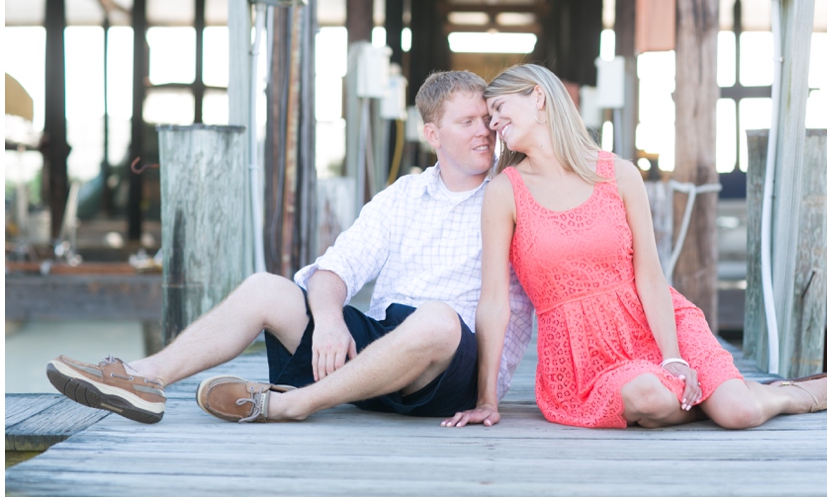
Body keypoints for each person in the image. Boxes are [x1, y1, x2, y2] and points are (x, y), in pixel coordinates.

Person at [47, 70, 533, 425]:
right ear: (432, 135)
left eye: (486, 120)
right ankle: (140, 378)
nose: (484, 132)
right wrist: (328, 320)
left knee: (438, 318)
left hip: (449, 370)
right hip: (377, 354)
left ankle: (293, 403)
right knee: (265, 288)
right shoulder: (403, 195)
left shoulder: (511, 193)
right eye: (467, 122)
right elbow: (335, 269)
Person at [442, 63, 827, 430]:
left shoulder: (618, 174)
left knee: (739, 415)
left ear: (538, 98)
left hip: (656, 324)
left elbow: (651, 277)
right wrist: (486, 399)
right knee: (648, 396)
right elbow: (495, 301)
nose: (492, 124)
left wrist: (673, 357)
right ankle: (721, 394)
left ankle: (781, 395)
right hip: (582, 356)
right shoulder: (505, 192)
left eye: (498, 109)